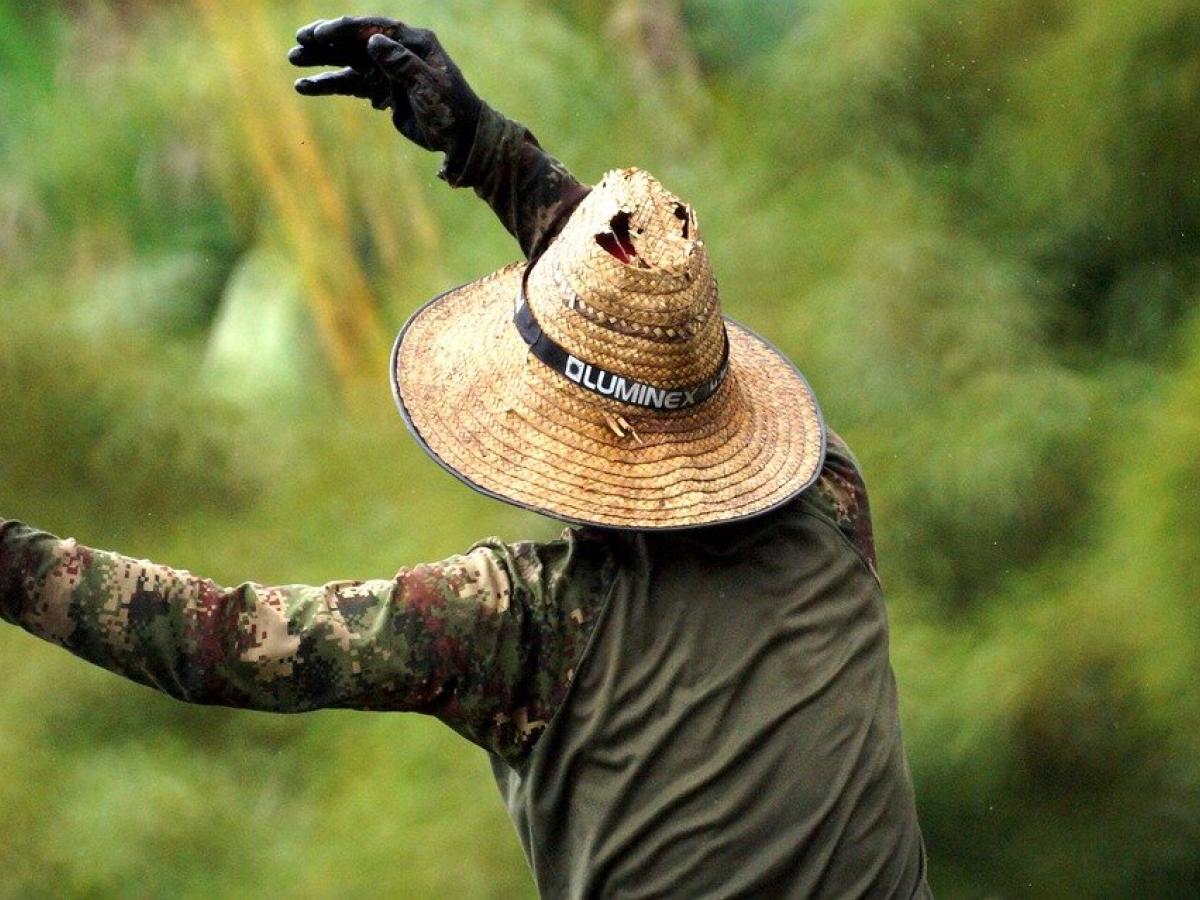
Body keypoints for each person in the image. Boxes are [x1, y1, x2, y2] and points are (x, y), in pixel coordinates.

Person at [0, 15, 930, 898]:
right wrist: (484, 146)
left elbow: (222, 642)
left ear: (563, 426)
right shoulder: (827, 498)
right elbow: (650, 315)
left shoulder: (521, 626)